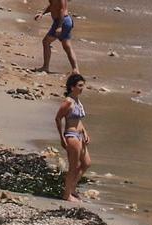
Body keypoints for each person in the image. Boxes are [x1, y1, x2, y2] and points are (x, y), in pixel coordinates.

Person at [56, 73, 90, 202]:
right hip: (71, 136)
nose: (82, 88)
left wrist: (85, 132)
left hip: (79, 135)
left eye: (83, 85)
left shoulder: (77, 100)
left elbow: (78, 120)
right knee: (73, 166)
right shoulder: (68, 102)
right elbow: (58, 118)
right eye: (79, 86)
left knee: (87, 163)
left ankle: (72, 187)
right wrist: (61, 137)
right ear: (72, 87)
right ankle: (67, 194)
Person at [40, 0, 78, 75]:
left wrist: (60, 26)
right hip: (64, 21)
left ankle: (45, 67)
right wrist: (42, 13)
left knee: (46, 42)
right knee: (67, 46)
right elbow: (52, 6)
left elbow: (62, 9)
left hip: (62, 21)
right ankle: (75, 69)